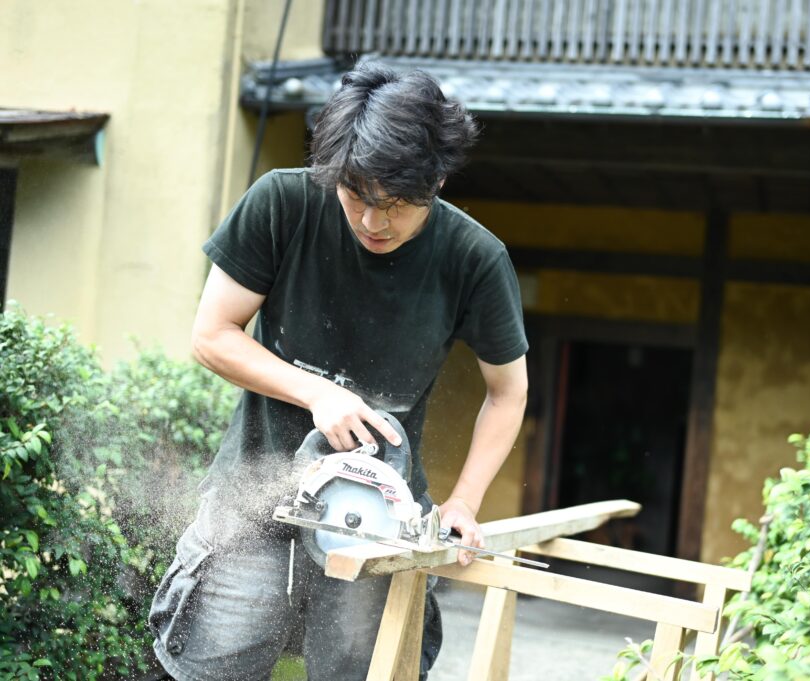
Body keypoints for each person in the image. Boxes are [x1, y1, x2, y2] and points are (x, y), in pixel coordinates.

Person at [148, 60, 529, 681]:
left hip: (381, 516)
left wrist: (464, 500)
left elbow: (508, 393)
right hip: (255, 494)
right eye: (357, 198)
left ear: (436, 179)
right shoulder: (283, 201)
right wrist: (318, 393)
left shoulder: (474, 258)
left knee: (362, 670)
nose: (373, 223)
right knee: (211, 664)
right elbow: (212, 336)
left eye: (398, 205)